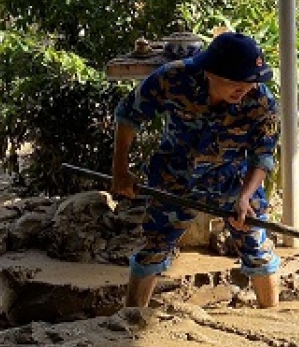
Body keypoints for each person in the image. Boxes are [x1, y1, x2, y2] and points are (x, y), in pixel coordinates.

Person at [110, 31, 282, 319]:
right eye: (235, 81)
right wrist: (120, 171)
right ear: (211, 72)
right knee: (154, 246)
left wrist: (245, 197)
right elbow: (128, 116)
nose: (244, 89)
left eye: (250, 81)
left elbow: (262, 156)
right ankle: (128, 321)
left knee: (255, 244)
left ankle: (274, 319)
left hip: (233, 179)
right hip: (173, 176)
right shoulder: (173, 78)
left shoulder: (262, 103)